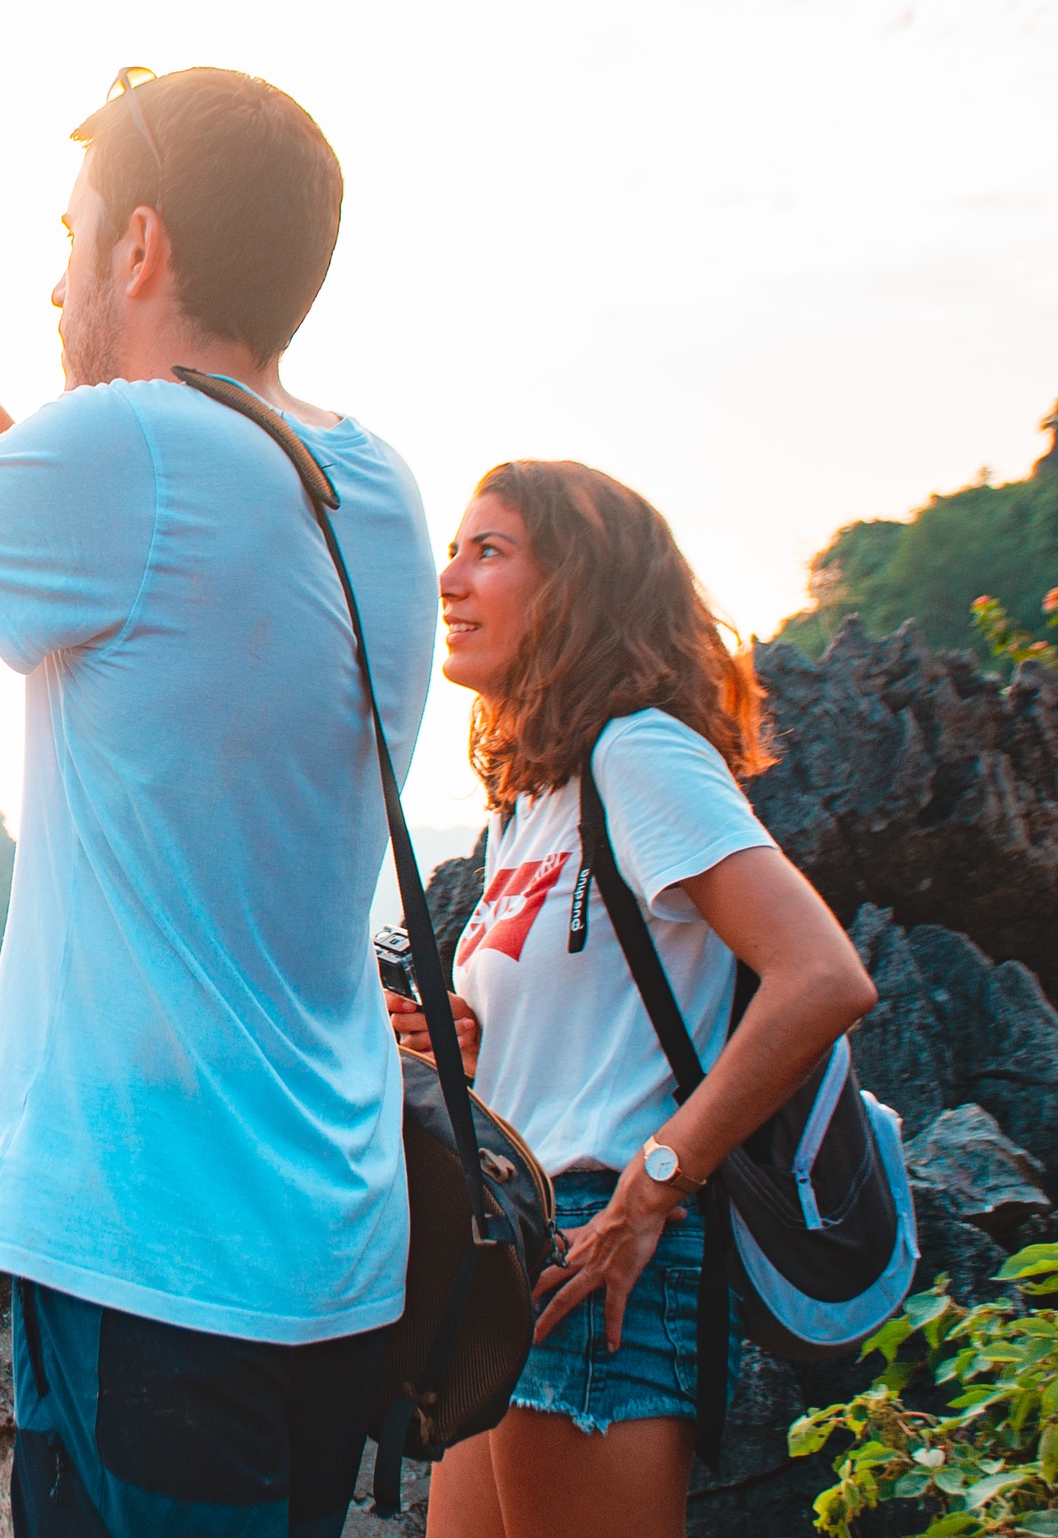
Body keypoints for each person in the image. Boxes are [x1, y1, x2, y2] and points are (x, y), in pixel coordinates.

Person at [0, 67, 434, 1537]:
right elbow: (128, 579)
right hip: (332, 1246)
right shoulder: (367, 484)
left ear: (139, 248)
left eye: (67, 241)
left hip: (154, 1259)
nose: (55, 279)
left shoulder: (123, 448)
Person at [393, 462, 877, 1538]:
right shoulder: (532, 801)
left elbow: (822, 978)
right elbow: (595, 1023)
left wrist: (653, 1187)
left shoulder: (641, 754)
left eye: (489, 551)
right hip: (505, 1244)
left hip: (592, 1233)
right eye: (456, 549)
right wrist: (461, 1042)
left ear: (579, 588)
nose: (448, 578)